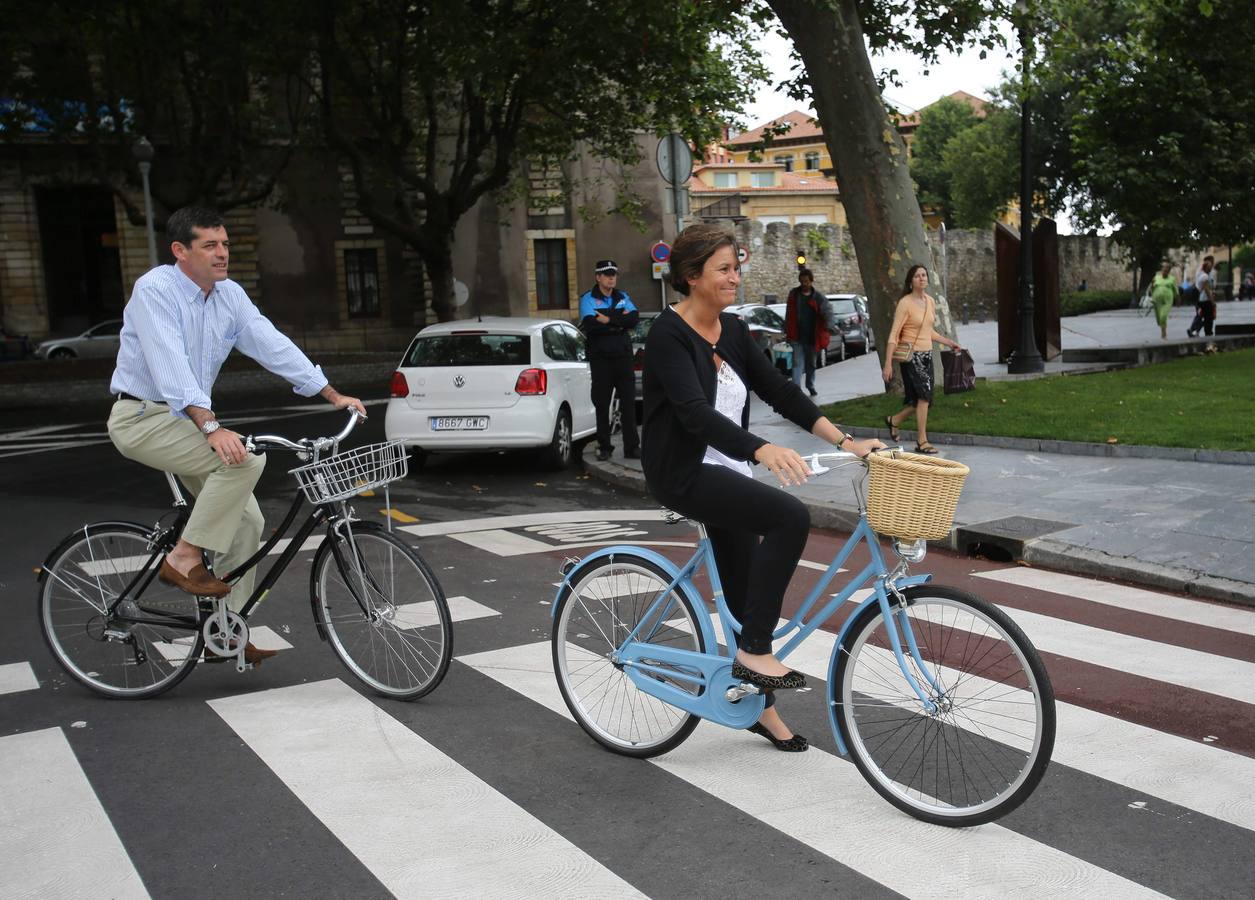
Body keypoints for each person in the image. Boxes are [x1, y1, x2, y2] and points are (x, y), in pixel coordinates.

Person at [641, 223, 882, 752]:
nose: (735, 277)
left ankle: (758, 706)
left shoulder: (731, 330)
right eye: (724, 269)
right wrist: (761, 449)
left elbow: (779, 391)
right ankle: (754, 651)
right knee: (788, 517)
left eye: (736, 267)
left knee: (748, 588)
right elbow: (694, 414)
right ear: (691, 277)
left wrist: (845, 441)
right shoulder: (668, 335)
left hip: (728, 470)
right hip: (683, 471)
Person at [107, 206, 366, 665]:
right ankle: (183, 557)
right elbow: (171, 366)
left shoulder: (229, 296)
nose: (222, 253)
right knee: (245, 459)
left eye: (224, 243)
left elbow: (272, 344)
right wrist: (210, 427)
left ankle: (223, 629)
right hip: (142, 417)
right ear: (180, 251)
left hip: (185, 419)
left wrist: (330, 393)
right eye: (210, 245)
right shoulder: (155, 290)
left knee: (247, 523)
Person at [881, 264, 962, 455]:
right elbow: (894, 334)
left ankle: (895, 420)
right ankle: (922, 440)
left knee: (924, 399)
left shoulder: (930, 302)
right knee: (924, 397)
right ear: (911, 282)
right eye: (917, 276)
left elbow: (928, 331)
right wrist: (887, 364)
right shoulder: (905, 303)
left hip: (927, 355)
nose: (922, 278)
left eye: (924, 275)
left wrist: (948, 342)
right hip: (911, 357)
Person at [578, 259, 640, 461]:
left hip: (623, 357)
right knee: (602, 404)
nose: (611, 277)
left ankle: (632, 448)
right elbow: (591, 325)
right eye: (607, 274)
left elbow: (633, 320)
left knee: (629, 404)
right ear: (598, 277)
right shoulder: (588, 299)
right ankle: (605, 446)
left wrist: (608, 320)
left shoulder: (622, 296)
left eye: (614, 273)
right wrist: (619, 323)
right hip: (601, 359)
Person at [783, 268, 832, 397]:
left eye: (807, 281)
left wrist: (829, 325)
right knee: (797, 363)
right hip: (797, 337)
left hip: (812, 338)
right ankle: (796, 391)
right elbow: (789, 315)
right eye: (802, 281)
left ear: (811, 281)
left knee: (811, 365)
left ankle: (810, 385)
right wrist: (787, 332)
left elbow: (828, 312)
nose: (804, 284)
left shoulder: (818, 297)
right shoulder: (794, 295)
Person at [1187, 255, 1216, 337]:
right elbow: (1206, 290)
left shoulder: (1202, 273)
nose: (1211, 267)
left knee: (1201, 315)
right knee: (1207, 317)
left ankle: (1194, 330)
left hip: (1201, 298)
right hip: (1204, 299)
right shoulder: (1205, 275)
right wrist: (1212, 301)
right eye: (1210, 265)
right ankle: (1204, 332)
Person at [1149, 261, 1178, 340]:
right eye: (1163, 269)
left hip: (1167, 300)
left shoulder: (1172, 279)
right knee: (1159, 317)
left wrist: (1178, 299)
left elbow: (1175, 290)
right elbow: (1151, 288)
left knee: (1163, 316)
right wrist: (1152, 285)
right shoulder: (1156, 277)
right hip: (1156, 300)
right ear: (1162, 269)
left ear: (1169, 271)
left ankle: (1163, 333)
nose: (1165, 270)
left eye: (1166, 269)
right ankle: (1162, 326)